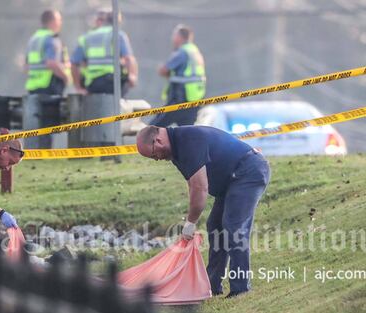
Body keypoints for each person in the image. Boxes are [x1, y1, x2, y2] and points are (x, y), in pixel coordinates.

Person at [136, 125, 270, 298]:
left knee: (234, 227)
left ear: (158, 140)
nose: (156, 159)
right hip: (231, 180)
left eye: (153, 154)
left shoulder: (188, 140)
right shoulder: (175, 149)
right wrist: (191, 219)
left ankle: (241, 288)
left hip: (248, 171)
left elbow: (200, 187)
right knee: (215, 225)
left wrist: (190, 222)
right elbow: (193, 183)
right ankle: (212, 286)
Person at [71, 9, 138, 96]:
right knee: (117, 105)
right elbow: (129, 58)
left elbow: (74, 64)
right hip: (113, 83)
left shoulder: (85, 38)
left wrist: (78, 88)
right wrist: (132, 76)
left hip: (92, 84)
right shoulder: (118, 34)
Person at [151, 24, 206, 127]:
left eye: (174, 36)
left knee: (153, 129)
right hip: (194, 101)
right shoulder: (194, 51)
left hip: (179, 100)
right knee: (187, 133)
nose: (173, 39)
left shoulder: (182, 52)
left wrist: (162, 69)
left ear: (180, 37)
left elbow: (163, 70)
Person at [25, 10, 70, 95]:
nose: (60, 23)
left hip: (33, 87)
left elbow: (26, 66)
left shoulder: (34, 39)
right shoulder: (51, 39)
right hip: (48, 87)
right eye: (59, 20)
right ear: (53, 21)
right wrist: (65, 77)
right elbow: (51, 63)